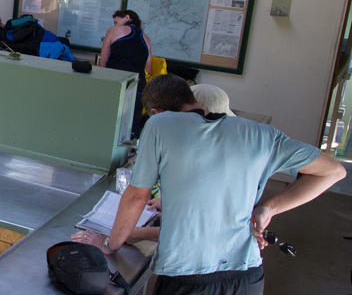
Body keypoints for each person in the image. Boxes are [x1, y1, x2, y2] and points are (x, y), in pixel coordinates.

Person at [102, 74, 346, 294]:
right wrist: (269, 208)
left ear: (156, 112)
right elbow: (333, 171)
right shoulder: (261, 134)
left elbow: (136, 197)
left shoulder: (160, 125)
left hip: (188, 278)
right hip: (248, 276)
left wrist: (111, 244)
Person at [99, 9, 152, 138]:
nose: (115, 24)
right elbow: (148, 70)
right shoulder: (146, 39)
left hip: (115, 83)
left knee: (109, 126)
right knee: (130, 130)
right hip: (137, 86)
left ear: (127, 18)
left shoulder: (113, 31)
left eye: (116, 21)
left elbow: (102, 63)